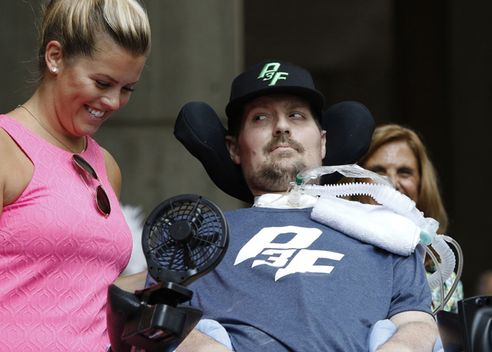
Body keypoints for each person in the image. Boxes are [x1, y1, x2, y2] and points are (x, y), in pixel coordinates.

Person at [176, 61, 438, 351]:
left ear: (323, 142)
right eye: (261, 118)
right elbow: (152, 317)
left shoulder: (387, 231)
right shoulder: (197, 236)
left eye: (296, 115)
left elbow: (415, 322)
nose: (282, 127)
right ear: (234, 148)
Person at [0, 0, 150, 350]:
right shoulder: (5, 147)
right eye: (102, 82)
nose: (113, 101)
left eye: (127, 88)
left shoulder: (106, 166)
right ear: (55, 57)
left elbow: (90, 291)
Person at [357, 124, 464, 313]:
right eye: (378, 171)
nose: (391, 183)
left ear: (422, 185)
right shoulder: (336, 253)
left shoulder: (443, 280)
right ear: (356, 180)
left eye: (404, 172)